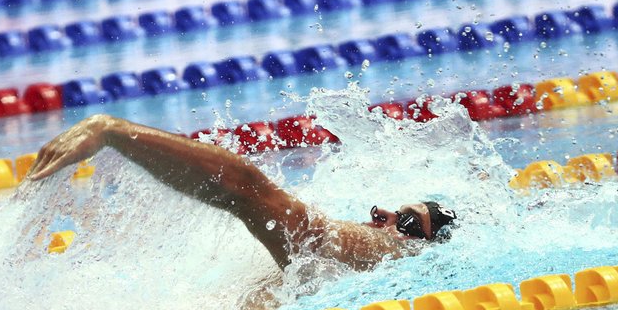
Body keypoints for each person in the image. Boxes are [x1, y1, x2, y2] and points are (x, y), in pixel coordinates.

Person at [26, 115, 456, 272]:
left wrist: (111, 131)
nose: (382, 214)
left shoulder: (392, 253)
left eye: (405, 221)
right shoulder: (359, 263)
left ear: (423, 246)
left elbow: (247, 190)